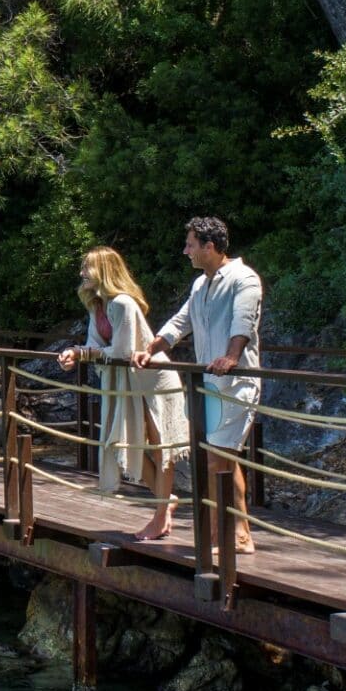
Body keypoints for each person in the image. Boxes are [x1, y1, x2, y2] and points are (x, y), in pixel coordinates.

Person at [134, 216, 263, 555]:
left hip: (236, 383)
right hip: (209, 383)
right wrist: (151, 348)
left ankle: (217, 536)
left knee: (216, 460)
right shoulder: (200, 285)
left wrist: (231, 356)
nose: (185, 250)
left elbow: (243, 321)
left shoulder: (243, 278)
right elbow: (182, 322)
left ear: (209, 247)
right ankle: (240, 535)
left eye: (191, 244)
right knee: (225, 458)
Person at [56, 247, 190, 541]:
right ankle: (165, 502)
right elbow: (94, 345)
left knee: (160, 446)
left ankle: (159, 515)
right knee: (125, 442)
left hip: (153, 381)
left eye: (87, 268)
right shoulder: (98, 305)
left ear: (104, 270)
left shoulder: (123, 303)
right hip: (126, 383)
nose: (82, 273)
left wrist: (84, 353)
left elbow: (121, 351)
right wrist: (75, 354)